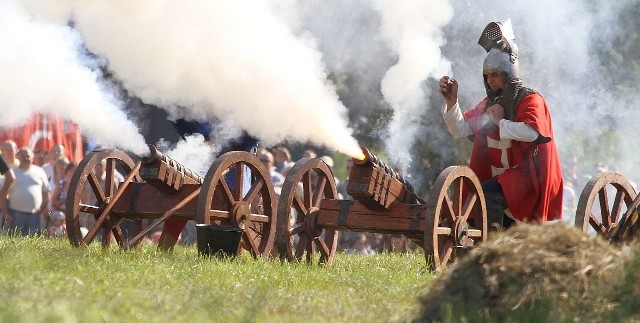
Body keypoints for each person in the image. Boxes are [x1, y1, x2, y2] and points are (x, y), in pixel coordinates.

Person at [438, 20, 563, 229]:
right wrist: (452, 101)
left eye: (495, 75)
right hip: (505, 178)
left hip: (529, 177)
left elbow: (532, 132)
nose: (490, 81)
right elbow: (461, 128)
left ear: (509, 73)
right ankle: (503, 241)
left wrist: (500, 122)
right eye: (487, 76)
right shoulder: (489, 104)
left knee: (487, 194)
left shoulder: (530, 100)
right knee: (479, 192)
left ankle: (493, 248)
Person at [0, 148, 51, 236]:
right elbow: (4, 195)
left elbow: (46, 193)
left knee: (33, 242)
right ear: (18, 157)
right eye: (23, 156)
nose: (25, 158)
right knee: (15, 241)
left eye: (27, 156)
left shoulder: (40, 171)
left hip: (34, 215)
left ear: (32, 157)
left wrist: (42, 208)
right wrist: (5, 212)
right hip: (15, 214)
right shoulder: (12, 173)